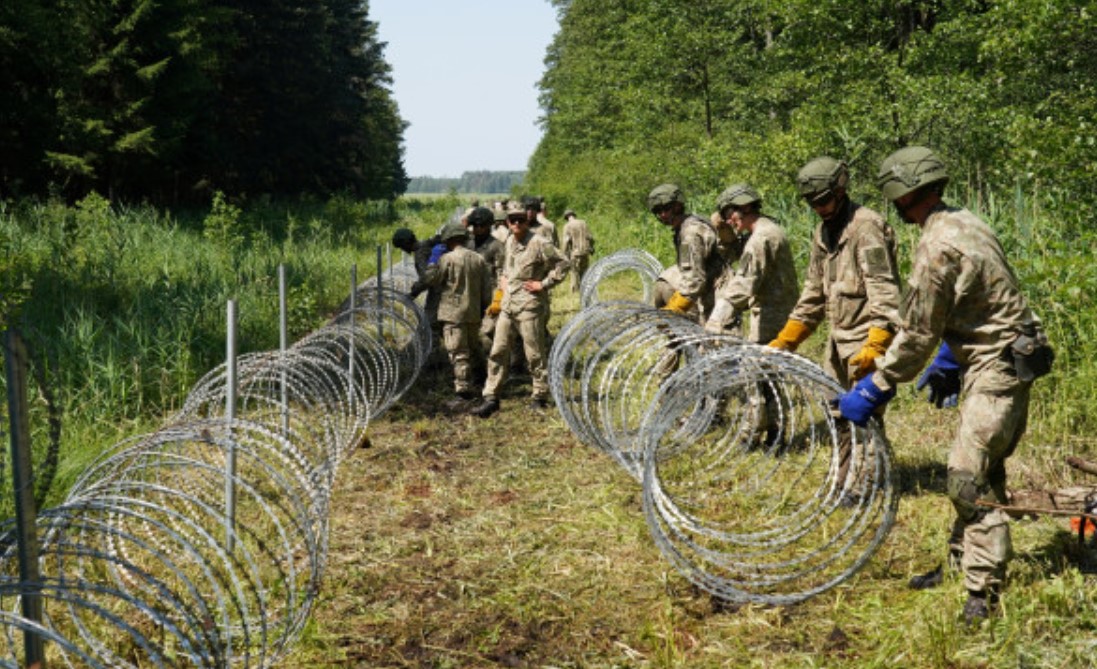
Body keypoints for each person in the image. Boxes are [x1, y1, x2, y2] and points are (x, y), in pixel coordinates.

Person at [837, 146, 1053, 624]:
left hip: (997, 362)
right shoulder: (963, 220)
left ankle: (983, 592)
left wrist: (878, 385)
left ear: (900, 194)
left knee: (965, 475)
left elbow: (917, 330)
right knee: (980, 464)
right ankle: (963, 562)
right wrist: (952, 355)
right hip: (1000, 352)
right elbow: (984, 296)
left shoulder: (936, 246)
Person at [768, 157, 903, 389]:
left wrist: (877, 344)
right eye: (813, 204)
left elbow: (884, 291)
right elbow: (813, 294)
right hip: (837, 344)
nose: (819, 209)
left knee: (863, 417)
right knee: (835, 414)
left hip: (865, 341)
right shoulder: (822, 232)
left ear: (840, 191)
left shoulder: (866, 228)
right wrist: (785, 341)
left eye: (824, 201)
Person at [471, 202, 570, 417]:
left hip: (529, 305)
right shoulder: (508, 241)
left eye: (520, 219)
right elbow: (507, 270)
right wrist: (501, 290)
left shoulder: (539, 242)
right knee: (498, 350)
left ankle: (539, 395)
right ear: (507, 222)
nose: (516, 223)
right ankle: (491, 397)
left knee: (533, 353)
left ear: (527, 221)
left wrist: (543, 284)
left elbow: (564, 262)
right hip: (509, 304)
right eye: (512, 220)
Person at [705, 184, 798, 344]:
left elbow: (744, 282)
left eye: (729, 214)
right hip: (780, 314)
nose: (728, 221)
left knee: (756, 367)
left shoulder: (759, 238)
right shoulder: (768, 229)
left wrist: (717, 318)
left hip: (770, 319)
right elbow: (732, 255)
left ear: (746, 207)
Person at [422, 221, 493, 400]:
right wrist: (483, 309)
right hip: (473, 312)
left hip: (453, 313)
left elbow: (431, 280)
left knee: (458, 352)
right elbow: (487, 290)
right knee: (473, 347)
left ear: (449, 239)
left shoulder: (446, 259)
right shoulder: (479, 258)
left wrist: (432, 263)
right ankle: (483, 379)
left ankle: (463, 390)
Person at [647, 183, 725, 324]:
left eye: (666, 208)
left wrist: (674, 309)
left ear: (677, 206)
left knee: (717, 342)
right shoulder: (686, 225)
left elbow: (694, 280)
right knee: (664, 283)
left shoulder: (690, 233)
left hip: (717, 292)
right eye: (658, 211)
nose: (663, 214)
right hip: (708, 286)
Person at [392, 227, 445, 366]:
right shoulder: (428, 244)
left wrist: (413, 293)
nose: (402, 250)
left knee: (429, 324)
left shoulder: (420, 253)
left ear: (405, 244)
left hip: (438, 291)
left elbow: (426, 279)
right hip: (445, 288)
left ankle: (433, 360)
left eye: (401, 247)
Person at [466, 206, 506, 375]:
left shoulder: (496, 246)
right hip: (469, 297)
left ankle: (494, 371)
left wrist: (498, 298)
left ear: (489, 225)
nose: (477, 229)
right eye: (474, 226)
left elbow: (502, 273)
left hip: (490, 298)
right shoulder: (467, 244)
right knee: (470, 337)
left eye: (481, 226)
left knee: (488, 334)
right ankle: (478, 371)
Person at [561, 209, 595, 293]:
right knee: (585, 273)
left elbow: (566, 242)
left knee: (574, 273)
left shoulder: (567, 226)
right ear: (574, 215)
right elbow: (591, 237)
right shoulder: (583, 223)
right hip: (585, 252)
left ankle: (575, 292)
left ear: (566, 217)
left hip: (575, 254)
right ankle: (586, 291)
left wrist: (563, 255)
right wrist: (591, 248)